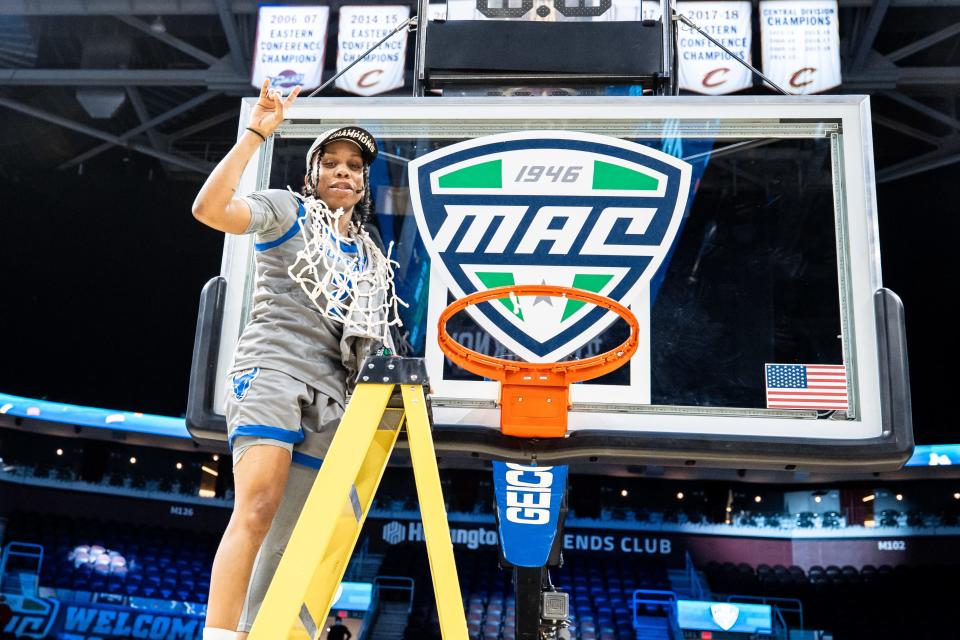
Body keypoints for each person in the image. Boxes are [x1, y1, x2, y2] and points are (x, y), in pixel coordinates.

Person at [193, 79, 398, 640]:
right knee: (257, 508)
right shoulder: (287, 210)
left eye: (354, 166)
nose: (343, 172)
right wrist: (257, 132)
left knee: (290, 534)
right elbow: (209, 209)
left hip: (333, 393)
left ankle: (262, 631)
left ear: (362, 184)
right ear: (313, 175)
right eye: (330, 162)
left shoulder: (373, 260)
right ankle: (218, 633)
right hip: (273, 370)